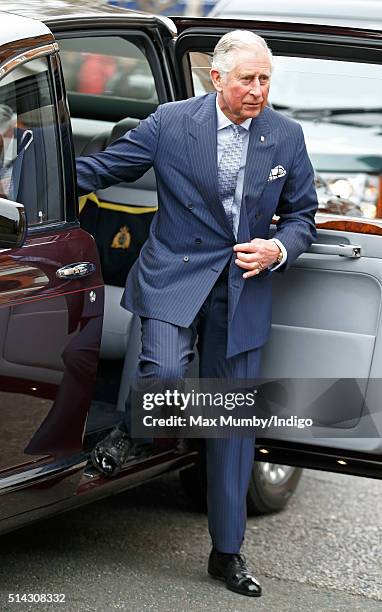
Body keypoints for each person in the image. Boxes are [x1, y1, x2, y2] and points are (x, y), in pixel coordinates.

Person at [76, 30, 318, 598]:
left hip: (243, 289)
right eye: (247, 80)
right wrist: (28, 188)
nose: (258, 91)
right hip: (173, 274)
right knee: (160, 374)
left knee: (230, 426)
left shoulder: (286, 136)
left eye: (265, 80)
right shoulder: (170, 122)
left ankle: (226, 553)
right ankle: (133, 433)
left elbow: (304, 215)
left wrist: (278, 249)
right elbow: (104, 169)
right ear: (217, 78)